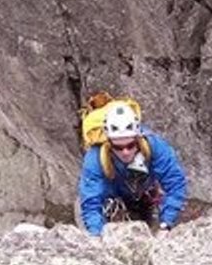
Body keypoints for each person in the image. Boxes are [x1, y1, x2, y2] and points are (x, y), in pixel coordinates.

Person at [78, 101, 187, 237]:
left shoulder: (155, 146)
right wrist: (97, 235)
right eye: (118, 147)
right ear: (109, 143)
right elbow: (91, 202)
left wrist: (166, 224)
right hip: (112, 200)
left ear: (138, 138)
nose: (125, 152)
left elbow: (175, 182)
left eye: (130, 145)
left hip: (145, 194)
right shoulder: (95, 158)